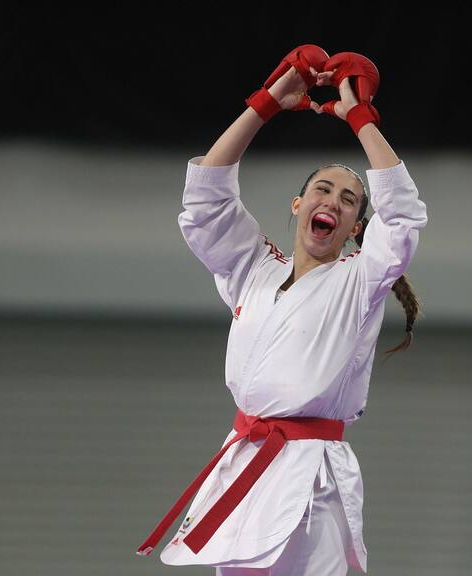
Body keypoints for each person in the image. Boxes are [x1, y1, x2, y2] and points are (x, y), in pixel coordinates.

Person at [136, 49, 428, 575]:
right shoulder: (255, 269)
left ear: (356, 229)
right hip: (245, 459)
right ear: (298, 205)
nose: (334, 202)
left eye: (348, 200)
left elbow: (403, 216)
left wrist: (358, 118)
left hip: (312, 477)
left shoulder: (358, 282)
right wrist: (266, 103)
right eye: (323, 190)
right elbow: (205, 199)